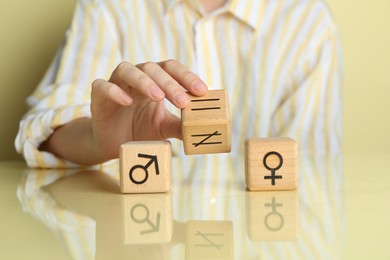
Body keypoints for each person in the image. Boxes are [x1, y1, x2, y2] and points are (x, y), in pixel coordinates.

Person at [15, 0, 343, 168]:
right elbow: (39, 134)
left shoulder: (307, 23)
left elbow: (314, 172)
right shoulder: (110, 8)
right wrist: (97, 140)